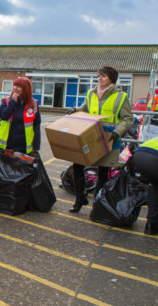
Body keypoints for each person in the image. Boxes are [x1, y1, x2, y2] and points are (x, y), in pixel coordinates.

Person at [65, 66, 133, 213]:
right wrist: (75, 110)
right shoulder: (91, 93)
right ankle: (80, 199)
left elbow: (127, 118)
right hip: (91, 137)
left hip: (109, 138)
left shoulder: (121, 96)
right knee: (77, 166)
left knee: (103, 173)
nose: (99, 79)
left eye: (103, 76)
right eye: (98, 76)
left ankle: (97, 203)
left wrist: (117, 133)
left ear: (111, 79)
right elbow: (85, 107)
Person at [0, 77, 41, 155]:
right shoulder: (7, 101)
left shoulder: (33, 104)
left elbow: (36, 126)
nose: (15, 88)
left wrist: (36, 147)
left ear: (25, 89)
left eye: (18, 86)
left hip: (24, 148)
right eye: (14, 85)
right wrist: (13, 102)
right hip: (8, 147)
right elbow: (3, 116)